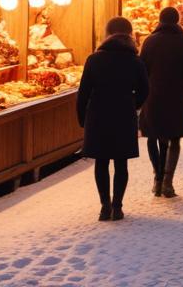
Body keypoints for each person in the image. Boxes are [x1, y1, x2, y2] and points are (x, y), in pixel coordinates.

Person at [77, 17, 149, 222]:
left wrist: (82, 119)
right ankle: (117, 206)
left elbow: (83, 92)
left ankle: (104, 207)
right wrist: (133, 104)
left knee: (101, 162)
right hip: (123, 115)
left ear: (108, 34)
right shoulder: (135, 61)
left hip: (98, 115)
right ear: (129, 34)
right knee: (121, 162)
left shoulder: (94, 59)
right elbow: (145, 89)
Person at [139, 7, 183, 199]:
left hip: (153, 96)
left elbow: (142, 72)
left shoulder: (149, 42)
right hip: (176, 97)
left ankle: (157, 177)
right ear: (177, 21)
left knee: (152, 137)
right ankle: (168, 181)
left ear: (159, 20)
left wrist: (139, 97)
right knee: (174, 139)